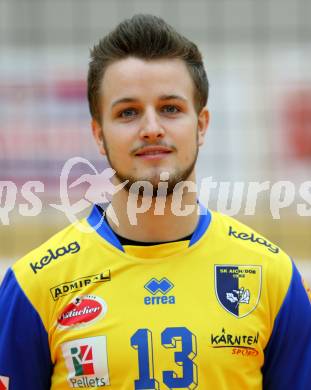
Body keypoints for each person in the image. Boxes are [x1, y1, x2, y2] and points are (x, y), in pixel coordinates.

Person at [0, 14, 310, 390]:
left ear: (202, 125)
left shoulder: (273, 277)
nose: (151, 127)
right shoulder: (34, 286)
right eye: (127, 112)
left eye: (170, 108)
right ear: (98, 135)